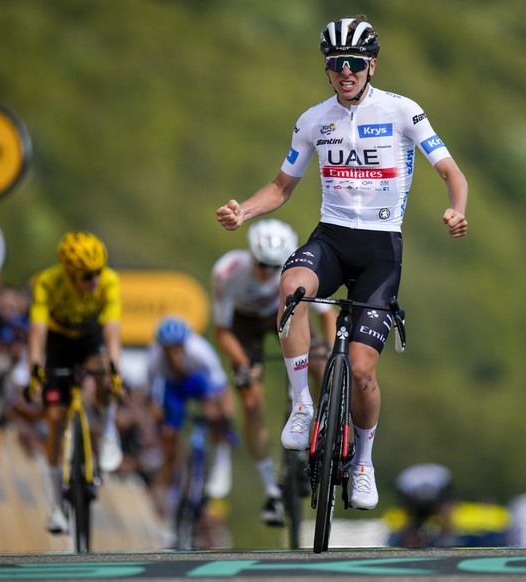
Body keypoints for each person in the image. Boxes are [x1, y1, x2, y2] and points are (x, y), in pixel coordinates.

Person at [216, 15, 468, 510]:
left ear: (371, 65)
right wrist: (243, 210)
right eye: (336, 65)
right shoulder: (313, 119)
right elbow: (282, 187)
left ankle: (365, 462)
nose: (345, 72)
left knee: (361, 369)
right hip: (331, 239)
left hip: (380, 250)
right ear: (327, 70)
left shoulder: (403, 111)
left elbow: (451, 172)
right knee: (292, 289)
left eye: (354, 63)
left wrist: (457, 209)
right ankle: (302, 406)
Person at [210, 218, 335, 526]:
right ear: (251, 255)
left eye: (273, 267)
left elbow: (326, 315)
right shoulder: (227, 272)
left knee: (322, 362)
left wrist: (332, 357)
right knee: (252, 401)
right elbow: (223, 331)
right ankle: (271, 489)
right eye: (261, 265)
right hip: (244, 323)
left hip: (286, 312)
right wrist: (243, 365)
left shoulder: (300, 268)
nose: (267, 272)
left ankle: (317, 425)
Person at [26, 231, 125, 534]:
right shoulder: (48, 282)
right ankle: (56, 505)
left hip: (90, 339)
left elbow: (112, 332)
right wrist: (34, 369)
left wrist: (115, 369)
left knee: (106, 377)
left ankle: (107, 432)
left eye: (98, 272)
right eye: (87, 275)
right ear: (69, 272)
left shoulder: (109, 281)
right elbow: (38, 331)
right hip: (59, 344)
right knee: (56, 419)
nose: (95, 279)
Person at [145, 315, 236, 524]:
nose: (175, 355)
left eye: (178, 349)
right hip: (174, 387)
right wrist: (159, 416)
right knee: (169, 436)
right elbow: (151, 394)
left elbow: (220, 388)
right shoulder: (155, 357)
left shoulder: (199, 350)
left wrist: (223, 419)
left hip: (198, 381)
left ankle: (222, 458)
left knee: (216, 414)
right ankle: (169, 498)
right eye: (170, 351)